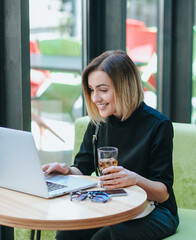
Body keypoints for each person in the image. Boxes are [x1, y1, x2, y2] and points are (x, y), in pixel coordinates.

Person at [42, 50, 179, 240]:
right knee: (67, 235)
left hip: (156, 211)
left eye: (103, 90)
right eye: (91, 89)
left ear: (125, 87)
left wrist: (134, 179)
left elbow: (163, 193)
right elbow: (82, 168)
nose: (95, 98)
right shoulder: (98, 123)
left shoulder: (158, 125)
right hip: (112, 204)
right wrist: (66, 171)